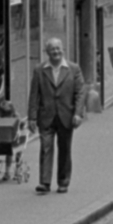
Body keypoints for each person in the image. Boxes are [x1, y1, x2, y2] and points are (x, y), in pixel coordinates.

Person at [27, 38, 85, 194]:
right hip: (46, 116)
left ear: (63, 50)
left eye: (58, 49)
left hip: (66, 115)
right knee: (45, 148)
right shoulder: (39, 70)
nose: (56, 52)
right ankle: (44, 182)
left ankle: (63, 181)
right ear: (47, 52)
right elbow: (34, 95)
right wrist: (31, 117)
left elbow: (80, 92)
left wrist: (78, 113)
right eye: (52, 49)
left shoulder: (73, 69)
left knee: (65, 149)